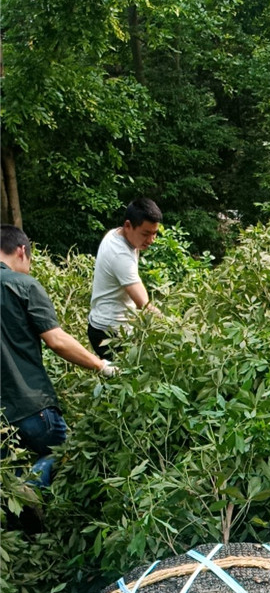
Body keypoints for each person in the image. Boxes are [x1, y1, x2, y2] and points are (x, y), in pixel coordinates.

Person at [1, 225, 115, 487]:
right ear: (21, 251)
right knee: (63, 451)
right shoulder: (23, 285)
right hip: (31, 405)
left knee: (9, 477)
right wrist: (101, 365)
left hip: (1, 417)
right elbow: (57, 341)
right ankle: (30, 488)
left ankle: (24, 504)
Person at [88, 197, 162, 358]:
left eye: (154, 233)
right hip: (108, 334)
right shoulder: (119, 254)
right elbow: (144, 304)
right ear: (128, 226)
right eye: (146, 234)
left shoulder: (118, 234)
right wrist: (172, 326)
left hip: (113, 327)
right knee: (122, 380)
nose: (151, 240)